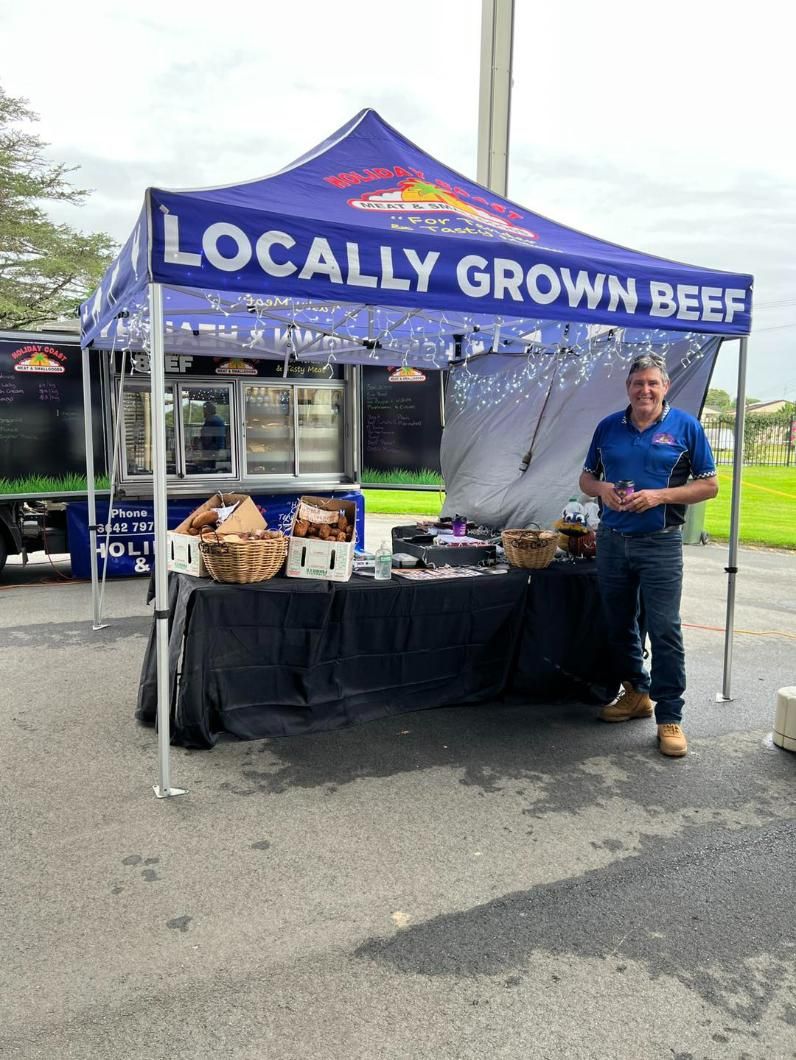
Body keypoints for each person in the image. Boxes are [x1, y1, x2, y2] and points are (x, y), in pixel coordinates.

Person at [579, 354, 718, 757]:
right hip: (612, 540)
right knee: (620, 623)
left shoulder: (686, 427)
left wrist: (659, 495)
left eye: (653, 383)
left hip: (660, 542)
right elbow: (586, 479)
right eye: (638, 383)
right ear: (628, 387)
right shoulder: (608, 427)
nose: (645, 390)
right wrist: (602, 489)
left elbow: (709, 486)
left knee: (664, 629)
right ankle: (637, 692)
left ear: (665, 387)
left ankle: (670, 716)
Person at [199, 401, 227, 471]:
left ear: (208, 410)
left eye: (204, 410)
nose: (203, 412)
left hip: (212, 448)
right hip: (219, 447)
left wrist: (201, 445)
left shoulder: (210, 420)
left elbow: (207, 437)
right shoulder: (218, 419)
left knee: (208, 467)